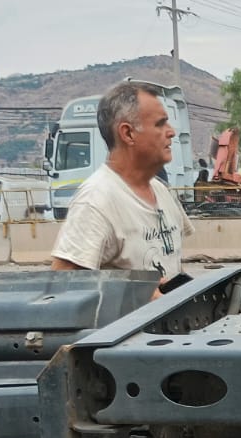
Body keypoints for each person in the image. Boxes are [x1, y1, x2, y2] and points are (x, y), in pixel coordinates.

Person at [51, 81, 194, 285]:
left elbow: (173, 263)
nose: (171, 132)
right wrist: (134, 297)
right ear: (127, 133)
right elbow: (62, 286)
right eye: (160, 124)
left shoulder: (161, 190)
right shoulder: (96, 200)